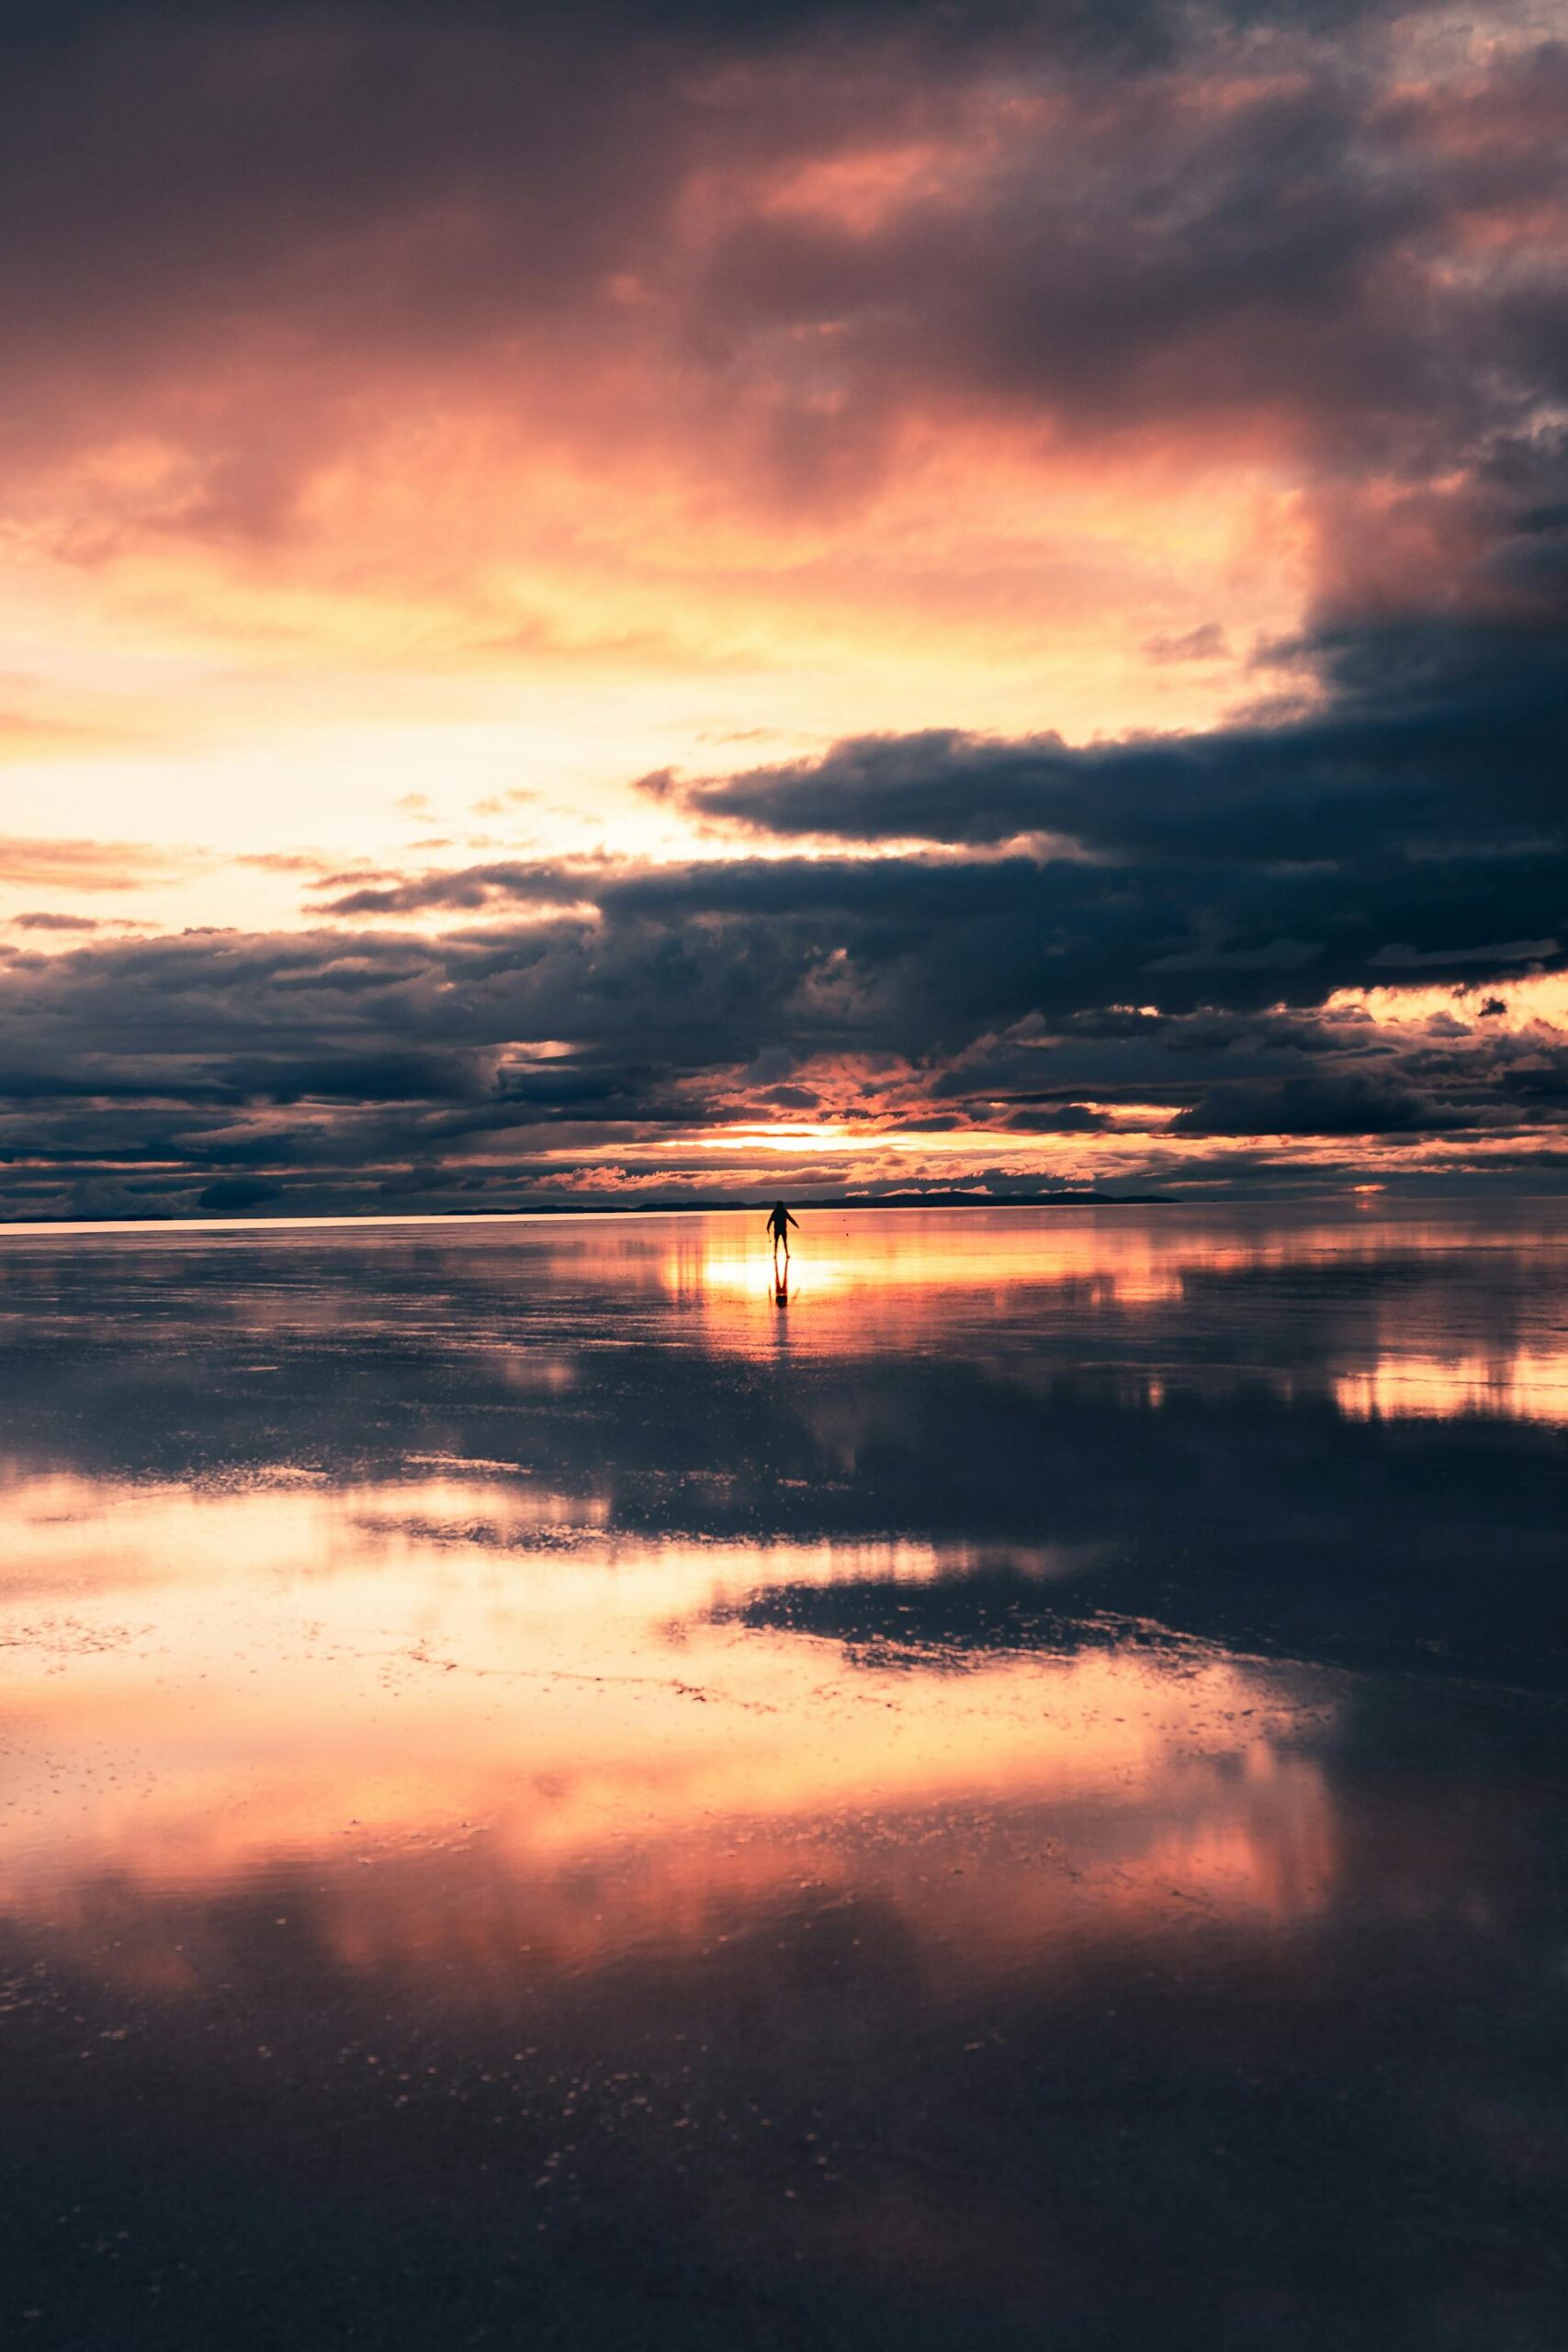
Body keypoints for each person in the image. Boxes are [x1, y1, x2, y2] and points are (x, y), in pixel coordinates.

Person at [766, 1200, 799, 1266]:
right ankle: (782, 1254)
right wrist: (796, 1225)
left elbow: (770, 1220)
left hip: (779, 1230)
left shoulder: (776, 1212)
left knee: (779, 1242)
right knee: (782, 1242)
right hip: (781, 1229)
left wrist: (768, 1227)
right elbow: (790, 1219)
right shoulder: (782, 1212)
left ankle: (779, 1255)